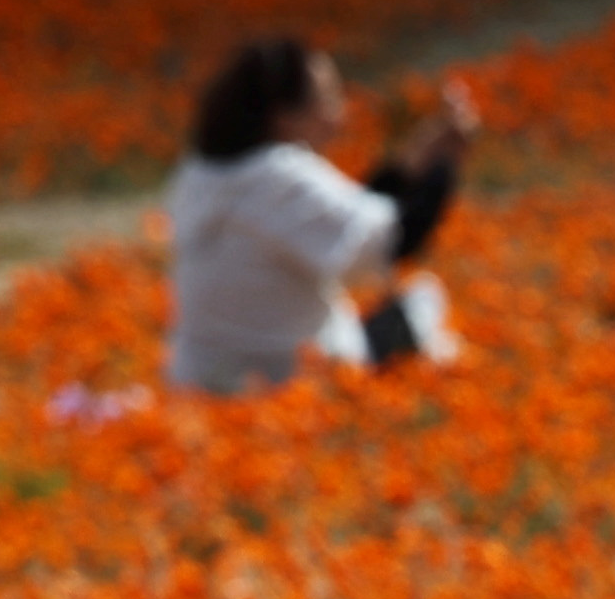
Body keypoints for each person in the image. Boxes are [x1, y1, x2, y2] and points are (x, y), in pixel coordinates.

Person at [166, 37, 475, 398]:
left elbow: (352, 216)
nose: (340, 113)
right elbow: (391, 240)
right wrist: (447, 163)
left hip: (196, 380)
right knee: (424, 299)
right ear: (284, 115)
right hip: (298, 382)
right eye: (327, 98)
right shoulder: (280, 175)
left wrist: (417, 157)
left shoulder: (202, 174)